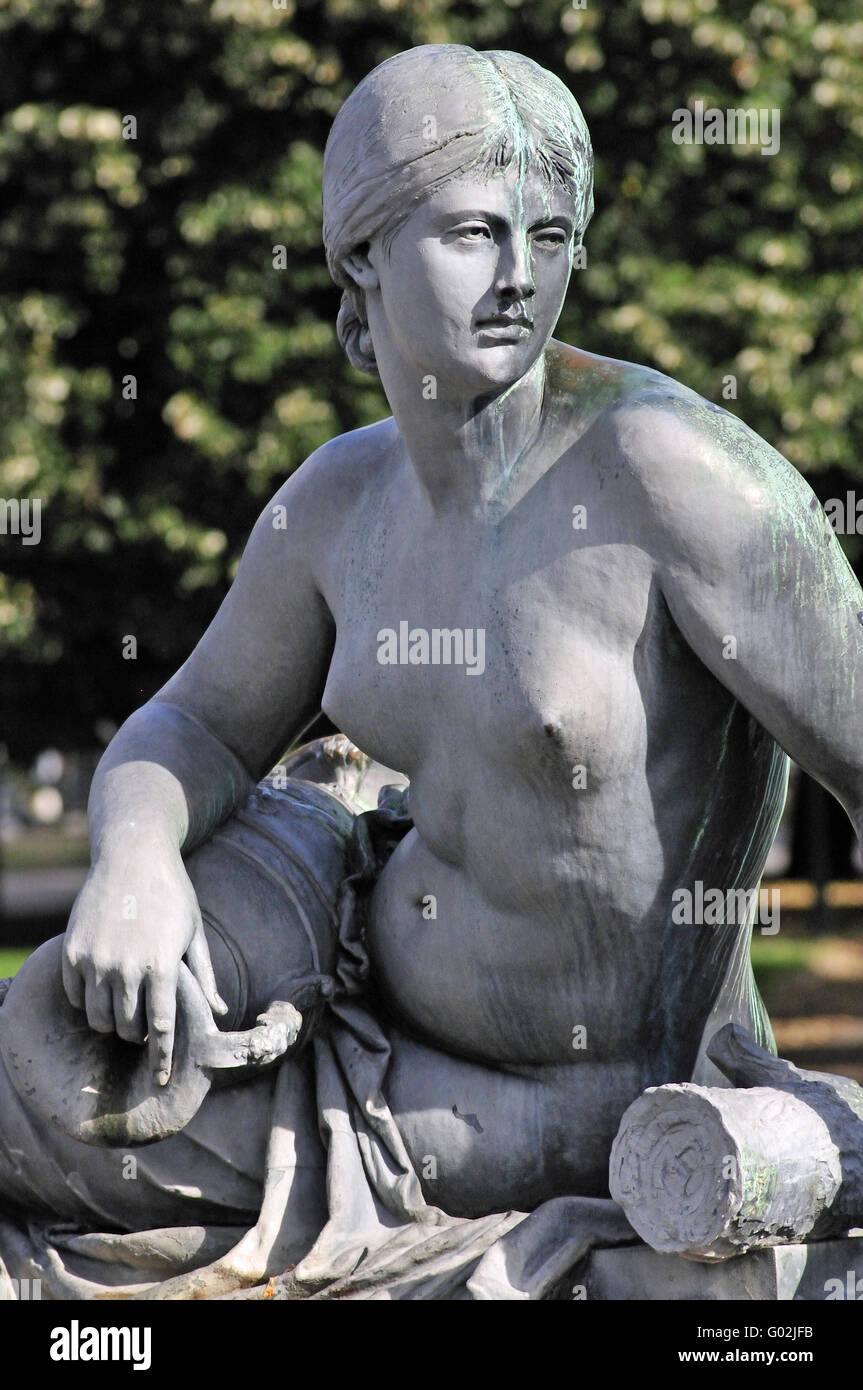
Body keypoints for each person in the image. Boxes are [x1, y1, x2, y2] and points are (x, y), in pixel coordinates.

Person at [3, 43, 862, 1300]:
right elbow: (189, 725)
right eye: (471, 233)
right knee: (37, 1058)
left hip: (591, 1113)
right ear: (362, 261)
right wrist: (133, 867)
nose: (520, 275)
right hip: (357, 1049)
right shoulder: (338, 506)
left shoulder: (671, 479)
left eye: (550, 233)